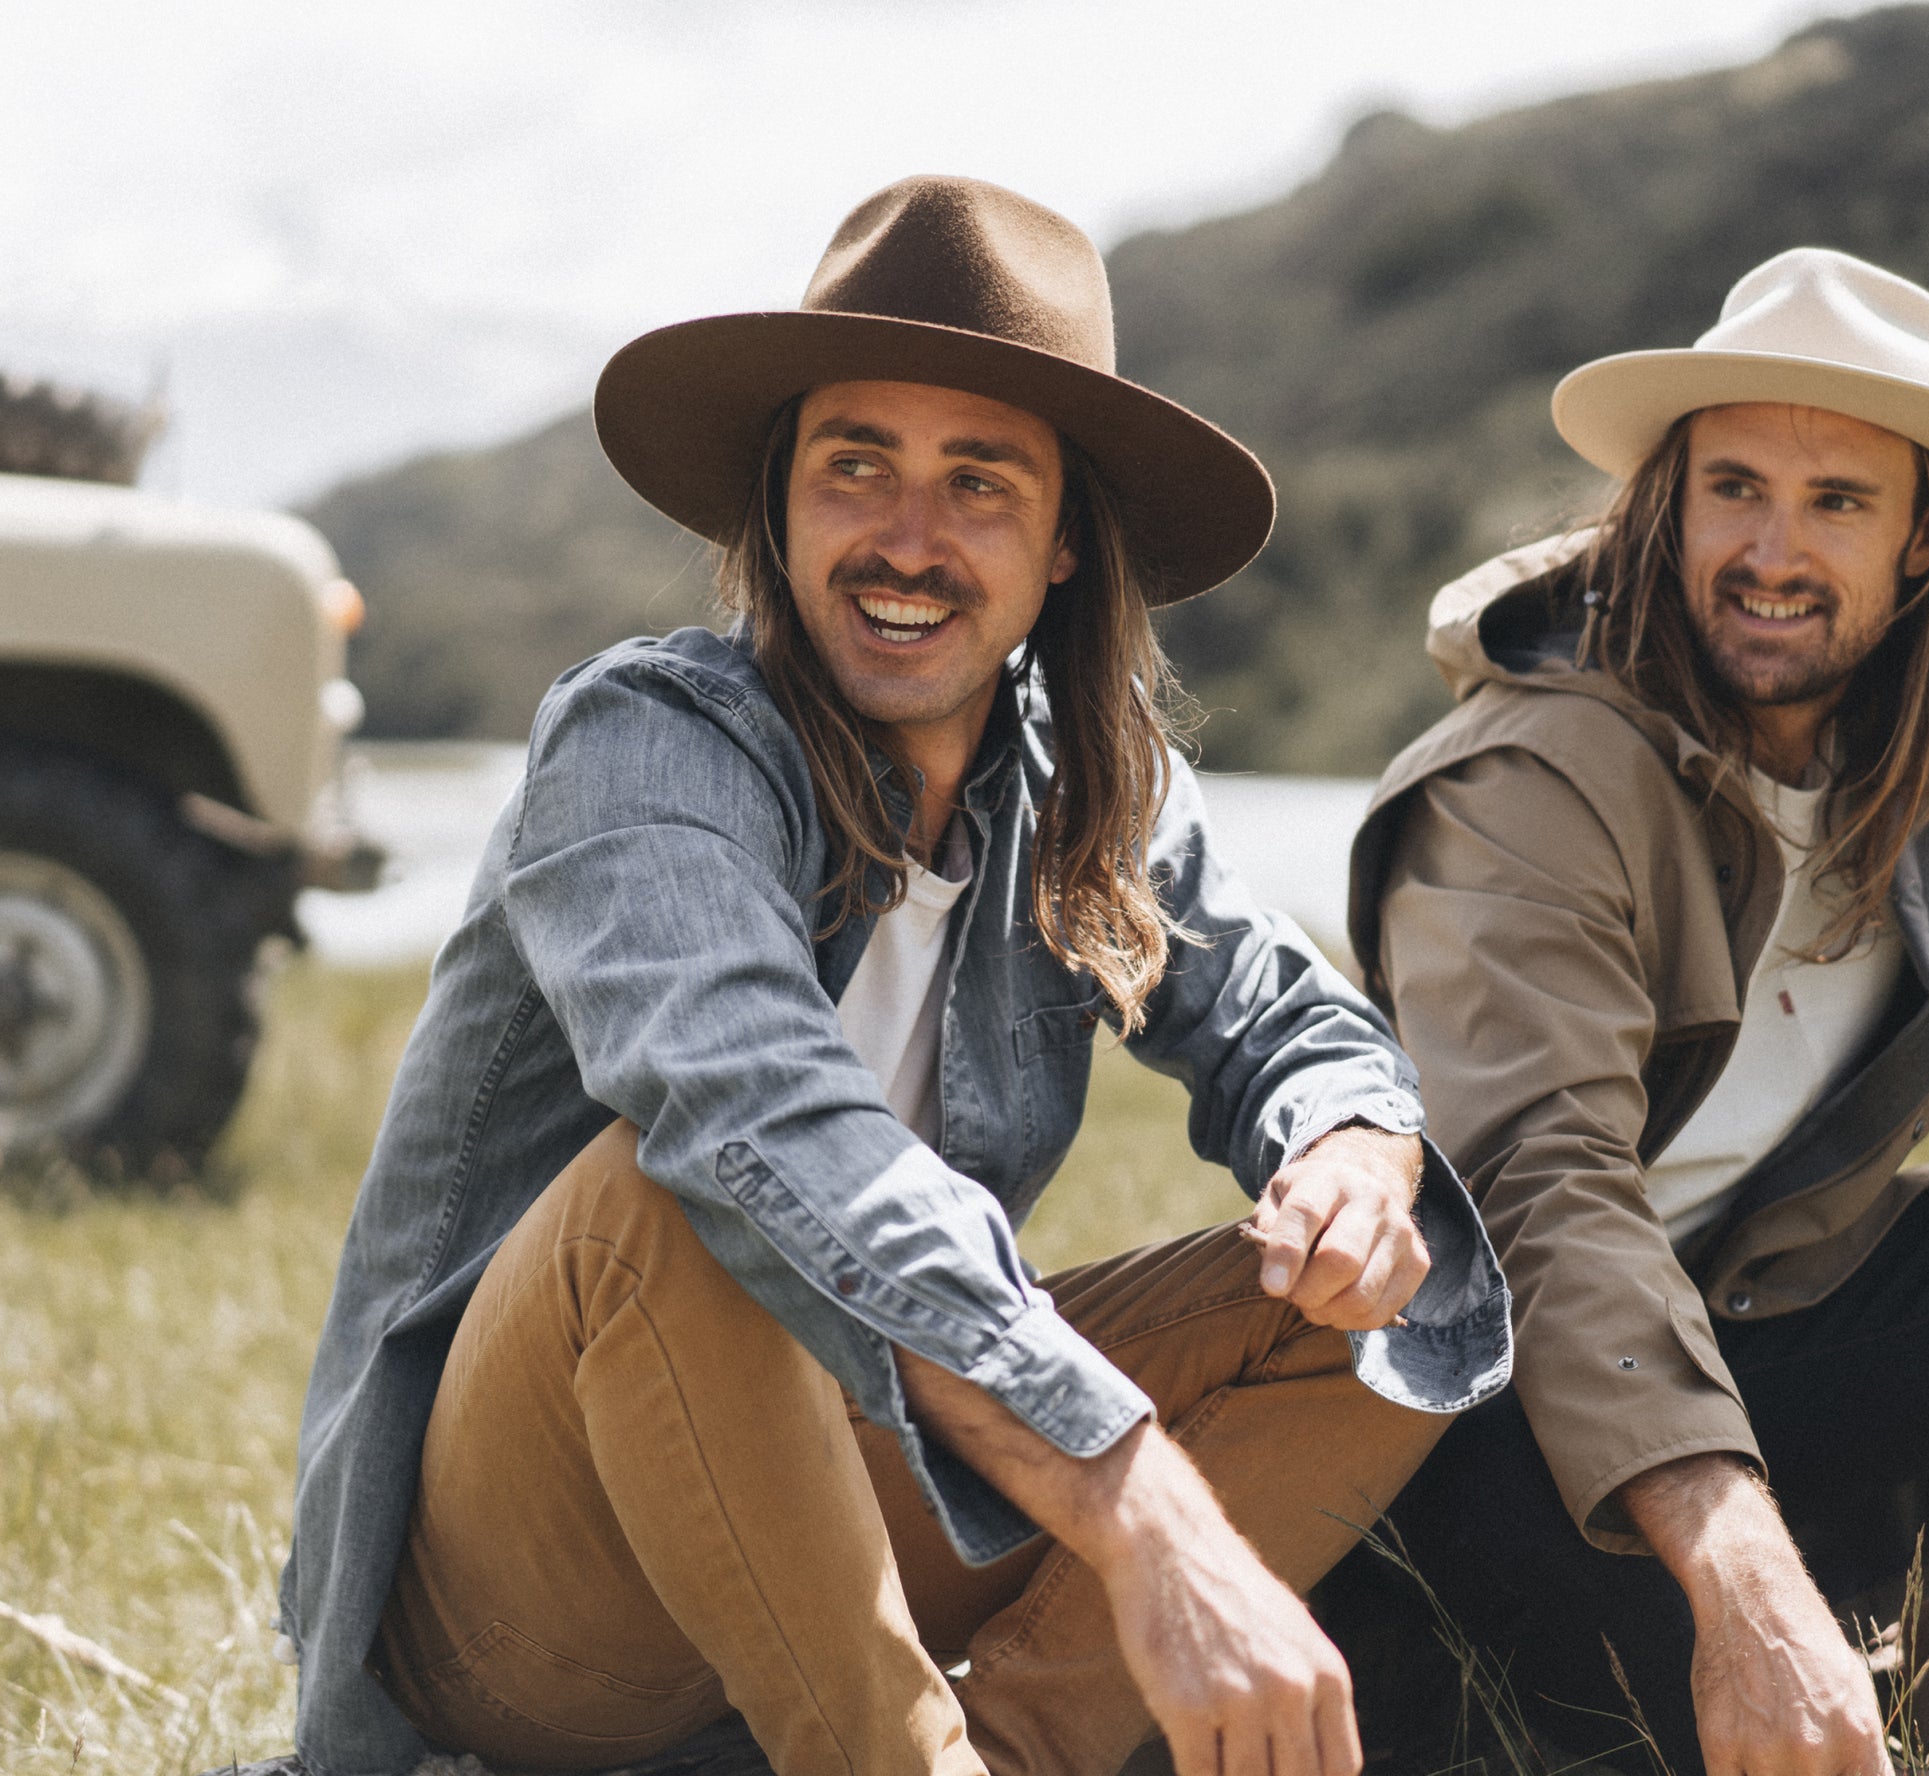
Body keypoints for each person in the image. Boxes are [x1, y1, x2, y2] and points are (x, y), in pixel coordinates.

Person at [277, 176, 1510, 1776]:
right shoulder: (645, 746)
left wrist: (1350, 1147)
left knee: (1402, 1292)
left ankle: (1006, 1752)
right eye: (856, 463)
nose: (906, 539)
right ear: (781, 502)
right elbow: (759, 1122)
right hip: (516, 1612)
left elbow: (1289, 1021)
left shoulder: (1088, 788)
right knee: (664, 1203)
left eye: (980, 482)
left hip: (834, 1506)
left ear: (1066, 543)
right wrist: (1141, 1510)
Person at [1338, 246, 1929, 1775]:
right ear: (1667, 505)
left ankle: (1917, 1666)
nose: (1772, 549)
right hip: (1476, 1412)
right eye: (1735, 489)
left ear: (1917, 551)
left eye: (1838, 500)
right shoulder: (1528, 782)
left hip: (1741, 1332)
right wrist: (1746, 1582)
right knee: (1671, 1730)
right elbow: (1540, 1197)